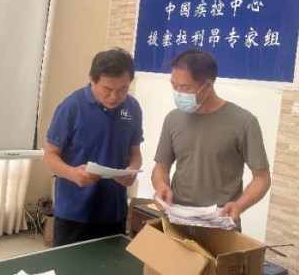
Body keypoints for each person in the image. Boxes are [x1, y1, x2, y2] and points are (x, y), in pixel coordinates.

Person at [152, 49, 271, 226]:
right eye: (174, 87)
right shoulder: (173, 119)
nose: (178, 93)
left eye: (185, 88)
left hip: (220, 221)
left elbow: (262, 178)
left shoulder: (244, 122)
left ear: (207, 85)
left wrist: (239, 206)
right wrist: (161, 185)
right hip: (177, 218)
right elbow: (161, 166)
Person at [44, 48, 144, 246]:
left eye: (123, 89)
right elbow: (49, 156)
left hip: (114, 211)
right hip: (74, 212)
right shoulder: (71, 107)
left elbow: (135, 153)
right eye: (107, 89)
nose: (115, 96)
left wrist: (132, 170)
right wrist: (73, 174)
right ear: (92, 79)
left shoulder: (132, 108)